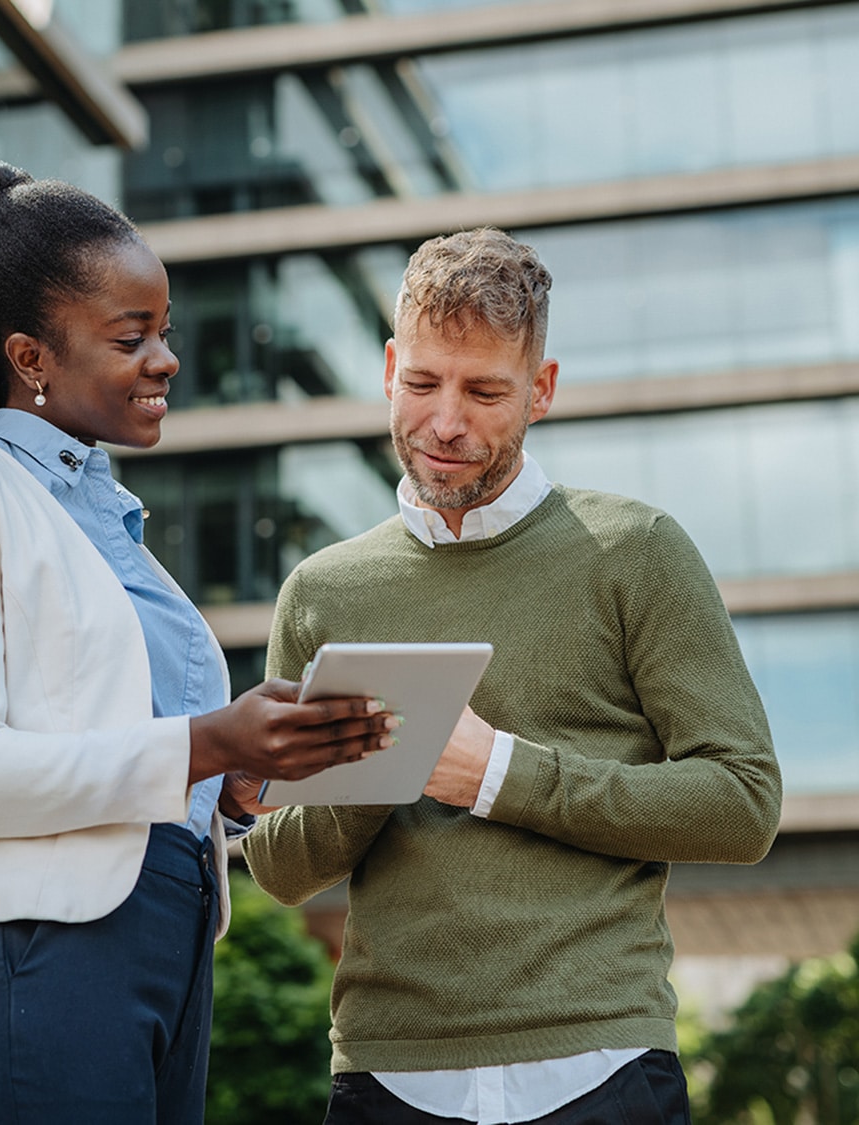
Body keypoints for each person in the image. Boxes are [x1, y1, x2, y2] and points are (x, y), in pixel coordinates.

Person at [0, 152, 399, 1124]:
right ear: (31, 357)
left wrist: (242, 782)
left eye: (165, 334)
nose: (166, 360)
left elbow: (124, 749)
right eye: (131, 338)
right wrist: (210, 742)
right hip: (34, 968)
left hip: (161, 960)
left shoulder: (113, 528)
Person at [241, 227, 782, 1125]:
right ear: (387, 370)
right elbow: (279, 866)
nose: (445, 421)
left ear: (542, 390)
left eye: (485, 390)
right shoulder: (320, 593)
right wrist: (381, 762)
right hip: (387, 1079)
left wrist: (498, 773)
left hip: (601, 1067)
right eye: (421, 383)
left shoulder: (635, 553)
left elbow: (743, 800)